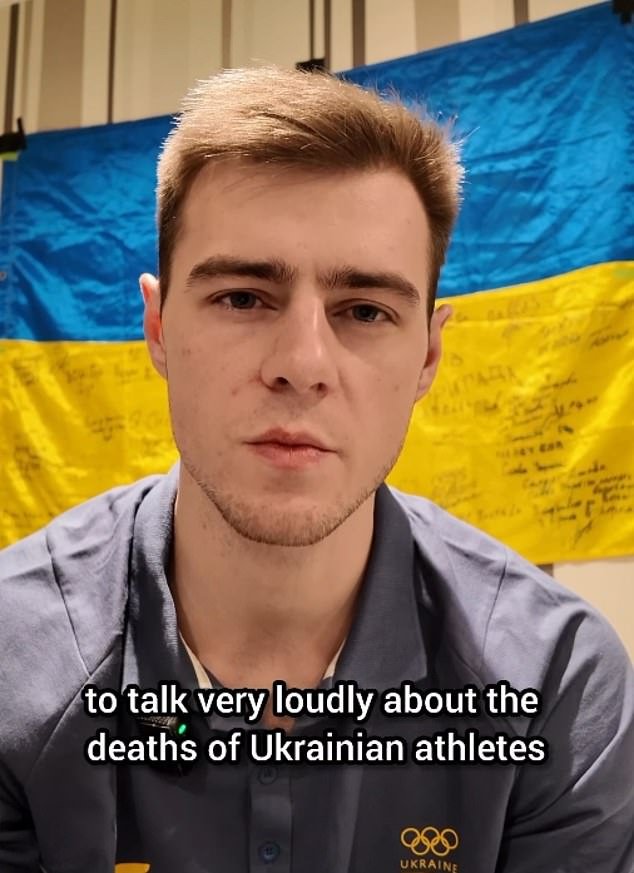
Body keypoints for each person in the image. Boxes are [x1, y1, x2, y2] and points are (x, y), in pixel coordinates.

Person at [0, 67, 632, 873]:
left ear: (428, 354)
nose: (302, 365)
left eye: (365, 311)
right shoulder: (13, 653)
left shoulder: (559, 684)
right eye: (243, 297)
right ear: (157, 327)